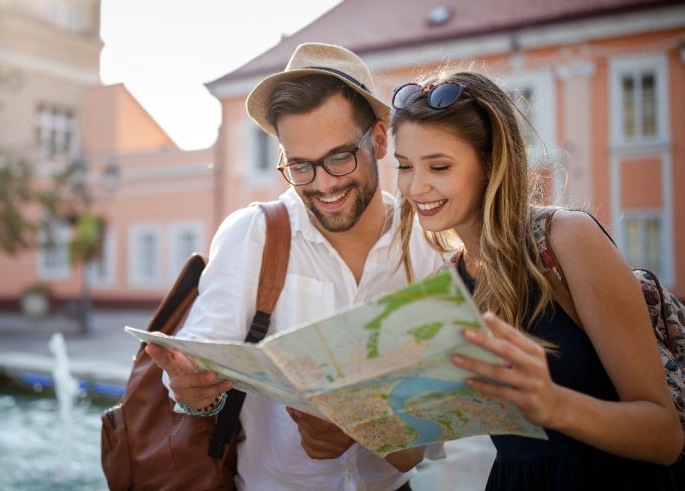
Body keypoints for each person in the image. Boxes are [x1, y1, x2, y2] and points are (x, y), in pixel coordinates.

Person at [146, 43, 446, 490]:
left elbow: (424, 437)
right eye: (301, 166)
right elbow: (202, 357)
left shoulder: (426, 243)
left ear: (380, 139)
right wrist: (194, 390)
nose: (323, 184)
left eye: (339, 157)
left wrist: (362, 430)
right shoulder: (253, 233)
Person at [389, 69, 683, 490]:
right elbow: (410, 451)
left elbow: (666, 436)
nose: (415, 186)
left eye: (439, 165)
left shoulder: (566, 239)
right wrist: (350, 413)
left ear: (491, 164)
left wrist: (554, 405)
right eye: (403, 166)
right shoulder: (449, 283)